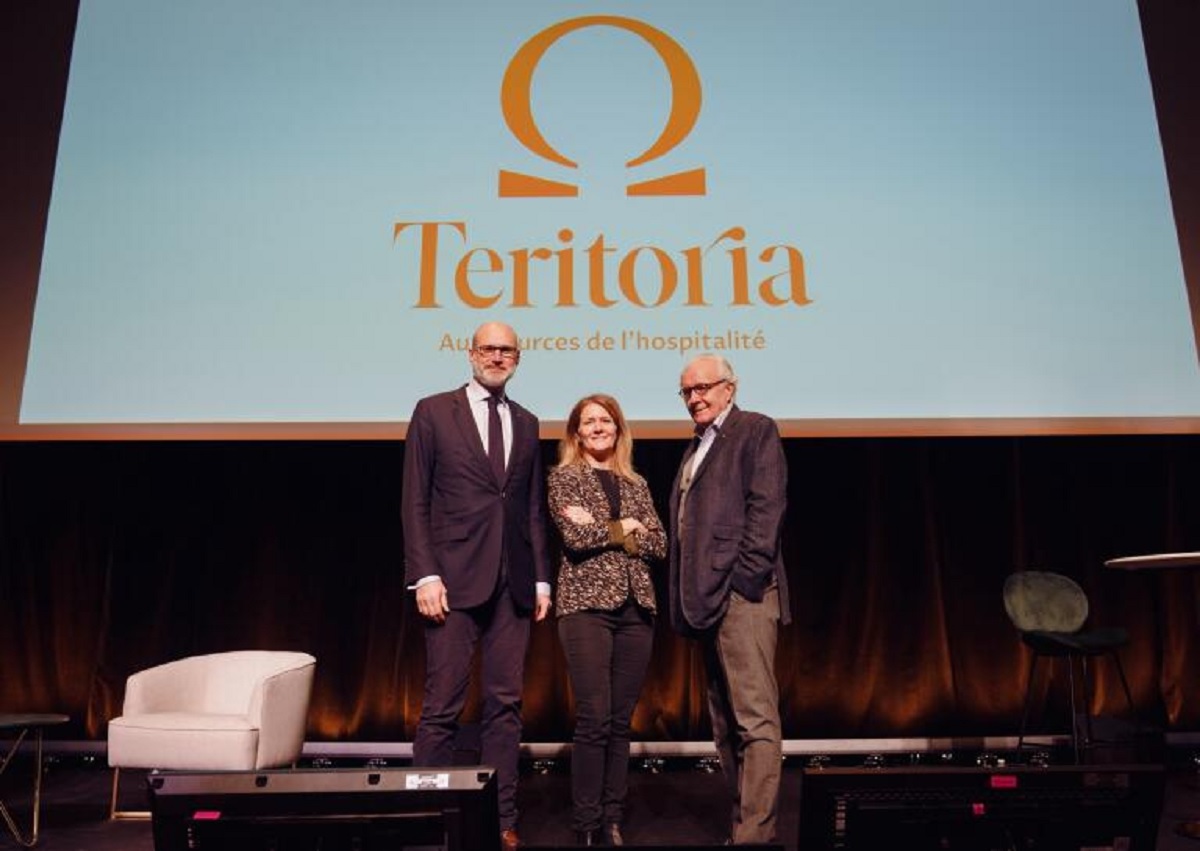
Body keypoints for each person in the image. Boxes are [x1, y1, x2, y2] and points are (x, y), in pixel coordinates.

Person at [402, 321, 552, 851]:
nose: (496, 355)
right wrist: (424, 572)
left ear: (518, 357)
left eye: (506, 349)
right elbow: (415, 500)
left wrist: (540, 578)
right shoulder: (433, 411)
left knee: (505, 707)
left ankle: (500, 818)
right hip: (450, 578)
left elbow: (530, 506)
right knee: (442, 704)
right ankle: (425, 817)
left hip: (513, 583)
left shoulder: (529, 422)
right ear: (470, 353)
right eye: (488, 347)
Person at [667, 353, 790, 846]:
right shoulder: (697, 445)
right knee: (725, 723)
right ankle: (744, 826)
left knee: (755, 719)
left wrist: (744, 579)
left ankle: (756, 836)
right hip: (706, 600)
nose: (695, 397)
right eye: (687, 391)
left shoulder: (755, 430)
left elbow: (766, 508)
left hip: (744, 597)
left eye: (704, 388)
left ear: (730, 388)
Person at [548, 394, 666, 847]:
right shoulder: (564, 479)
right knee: (594, 718)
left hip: (638, 609)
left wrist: (621, 529)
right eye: (588, 421)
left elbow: (660, 546)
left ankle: (611, 819)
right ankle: (586, 825)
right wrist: (628, 527)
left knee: (620, 722)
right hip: (586, 608)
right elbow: (576, 539)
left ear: (618, 429)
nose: (598, 427)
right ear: (576, 432)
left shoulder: (635, 483)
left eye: (605, 420)